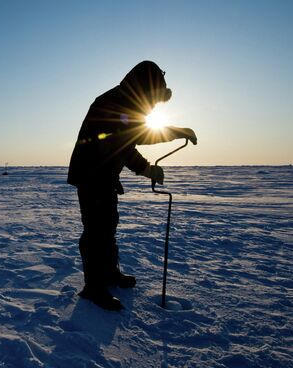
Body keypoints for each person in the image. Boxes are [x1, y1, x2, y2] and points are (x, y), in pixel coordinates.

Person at [67, 61, 197, 311]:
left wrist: (147, 168)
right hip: (90, 176)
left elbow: (125, 146)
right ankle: (93, 287)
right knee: (96, 230)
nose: (152, 105)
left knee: (108, 225)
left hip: (104, 176)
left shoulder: (125, 102)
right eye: (153, 98)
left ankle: (108, 274)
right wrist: (177, 131)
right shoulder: (112, 102)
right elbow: (140, 135)